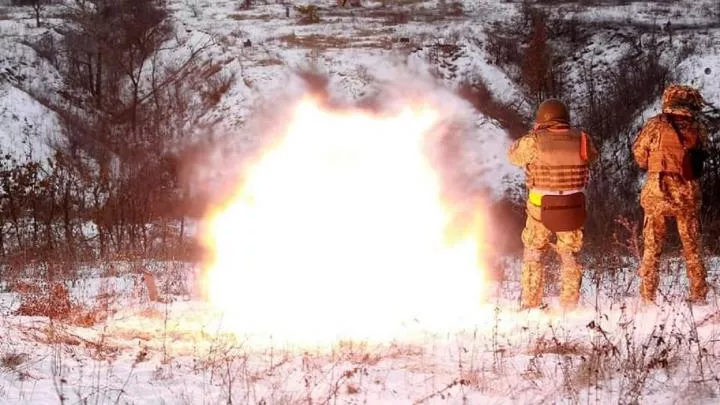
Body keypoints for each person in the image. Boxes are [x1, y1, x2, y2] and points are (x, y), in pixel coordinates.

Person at [508, 99, 598, 310]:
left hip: (540, 208)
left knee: (533, 254)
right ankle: (569, 305)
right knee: (570, 256)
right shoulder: (583, 139)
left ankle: (531, 304)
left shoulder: (534, 141)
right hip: (573, 208)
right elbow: (593, 157)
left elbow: (513, 156)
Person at [632, 84, 709, 304]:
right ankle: (698, 295)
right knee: (692, 247)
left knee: (653, 247)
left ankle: (648, 297)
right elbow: (702, 154)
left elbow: (639, 155)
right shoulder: (697, 127)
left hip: (658, 191)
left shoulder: (655, 125)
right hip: (687, 194)